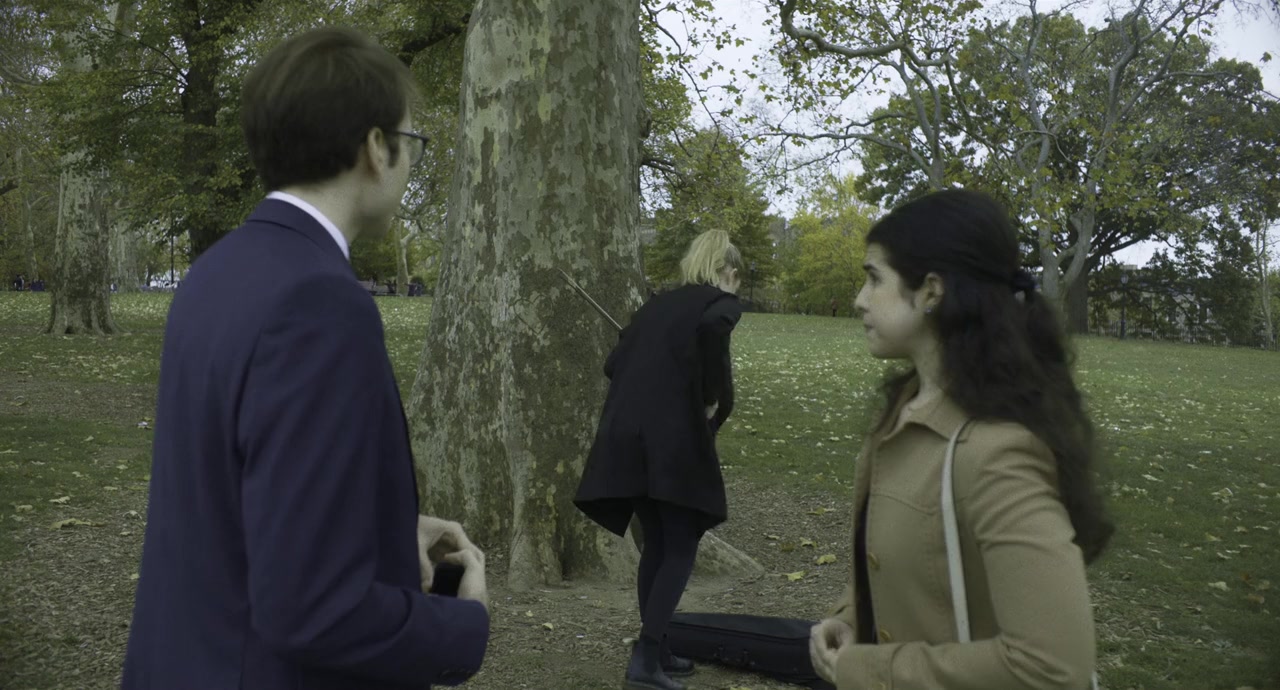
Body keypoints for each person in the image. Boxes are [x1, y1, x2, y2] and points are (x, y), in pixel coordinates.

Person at [121, 27, 489, 690]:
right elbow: (313, 609)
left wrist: (382, 532)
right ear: (375, 147)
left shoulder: (216, 271)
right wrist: (462, 628)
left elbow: (240, 492)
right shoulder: (319, 302)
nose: (409, 163)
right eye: (411, 142)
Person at [809, 189, 1113, 689]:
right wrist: (853, 615)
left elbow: (1052, 666)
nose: (860, 299)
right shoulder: (904, 410)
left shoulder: (996, 453)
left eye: (874, 278)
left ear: (931, 291)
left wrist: (872, 672)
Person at [574, 228, 744, 690]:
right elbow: (716, 329)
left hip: (628, 440)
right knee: (681, 543)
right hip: (672, 441)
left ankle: (659, 647)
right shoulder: (719, 305)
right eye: (737, 279)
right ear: (727, 271)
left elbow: (613, 365)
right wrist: (714, 399)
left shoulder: (655, 307)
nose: (737, 288)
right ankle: (646, 659)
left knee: (658, 542)